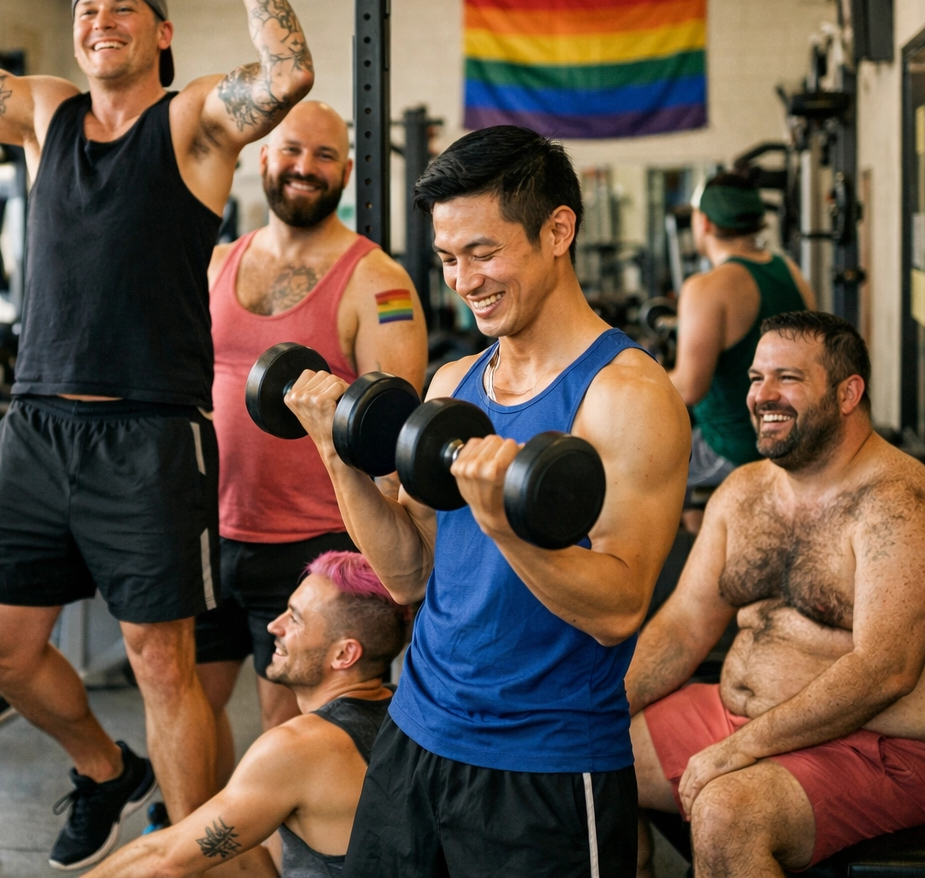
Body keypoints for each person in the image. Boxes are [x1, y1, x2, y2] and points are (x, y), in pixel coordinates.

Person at [0, 0, 314, 869]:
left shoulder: (194, 123)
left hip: (148, 434)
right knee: (0, 646)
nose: (98, 22)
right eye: (89, 11)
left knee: (160, 663)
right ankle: (103, 768)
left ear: (160, 34)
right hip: (37, 428)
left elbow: (289, 73)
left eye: (120, 9)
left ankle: (200, 862)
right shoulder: (47, 112)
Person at [282, 125, 690, 877]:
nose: (463, 281)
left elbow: (619, 608)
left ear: (558, 230)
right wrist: (332, 454)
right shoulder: (452, 383)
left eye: (483, 252)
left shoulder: (628, 397)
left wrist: (506, 526)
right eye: (447, 259)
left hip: (545, 765)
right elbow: (410, 577)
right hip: (416, 734)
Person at [628, 312, 925, 878]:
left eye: (787, 378)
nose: (762, 395)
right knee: (577, 753)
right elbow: (685, 627)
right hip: (734, 716)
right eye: (754, 378)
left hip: (874, 745)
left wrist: (741, 750)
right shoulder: (744, 491)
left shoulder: (897, 502)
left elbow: (886, 669)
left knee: (727, 814)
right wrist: (599, 705)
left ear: (847, 393)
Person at [196, 100, 424, 784]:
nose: (305, 167)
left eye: (325, 156)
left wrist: (387, 564)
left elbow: (391, 439)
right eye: (292, 150)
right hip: (208, 529)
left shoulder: (377, 281)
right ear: (263, 158)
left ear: (347, 172)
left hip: (312, 543)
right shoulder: (214, 264)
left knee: (284, 736)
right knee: (188, 709)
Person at [87, 552, 407, 878]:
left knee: (165, 858)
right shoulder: (404, 709)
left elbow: (161, 862)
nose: (274, 625)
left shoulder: (299, 747)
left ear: (344, 654)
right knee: (201, 851)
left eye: (295, 619)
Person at [669, 173, 812, 530]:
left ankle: (700, 554)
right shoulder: (789, 269)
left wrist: (638, 379)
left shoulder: (706, 288)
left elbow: (688, 389)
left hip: (734, 449)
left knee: (649, 464)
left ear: (704, 223)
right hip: (794, 441)